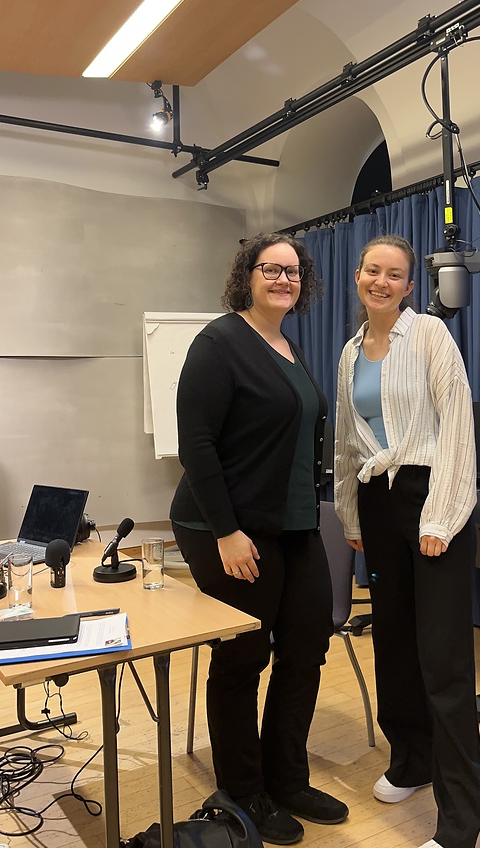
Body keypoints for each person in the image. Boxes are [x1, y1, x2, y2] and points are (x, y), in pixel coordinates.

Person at [170, 233, 348, 846]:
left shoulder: (290, 348)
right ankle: (244, 793)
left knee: (307, 645)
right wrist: (227, 532)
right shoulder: (219, 342)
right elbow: (195, 442)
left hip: (291, 522)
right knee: (244, 656)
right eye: (271, 268)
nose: (283, 279)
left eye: (294, 272)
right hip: (225, 525)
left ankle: (287, 779)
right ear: (246, 275)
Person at [334, 235, 480, 848]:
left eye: (394, 274)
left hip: (431, 498)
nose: (382, 282)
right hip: (377, 502)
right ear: (358, 277)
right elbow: (347, 443)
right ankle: (411, 761)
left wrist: (439, 519)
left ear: (409, 286)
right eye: (373, 270)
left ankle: (460, 823)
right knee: (393, 641)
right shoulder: (349, 353)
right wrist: (351, 517)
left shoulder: (429, 335)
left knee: (443, 661)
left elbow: (458, 426)